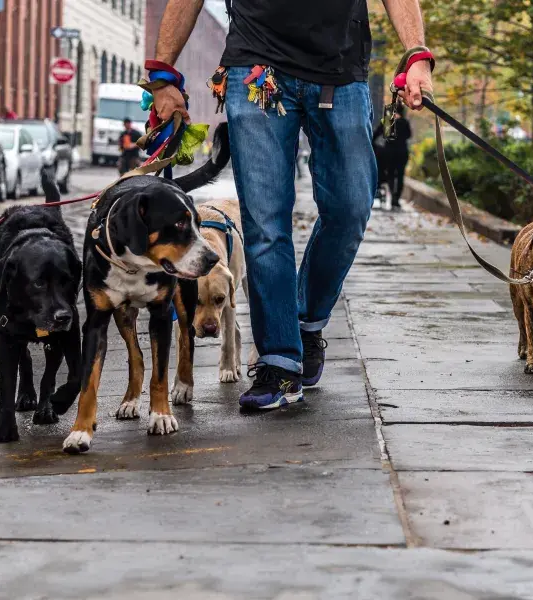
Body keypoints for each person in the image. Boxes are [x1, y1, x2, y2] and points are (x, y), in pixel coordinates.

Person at [152, 0, 433, 410]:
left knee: (351, 207)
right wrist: (163, 75)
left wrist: (417, 55)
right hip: (257, 69)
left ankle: (306, 319)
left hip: (340, 70)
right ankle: (279, 364)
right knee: (265, 225)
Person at [382, 104, 411, 209]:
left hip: (389, 152)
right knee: (400, 175)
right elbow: (408, 135)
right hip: (402, 152)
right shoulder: (405, 122)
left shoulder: (388, 120)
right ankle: (396, 198)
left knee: (390, 174)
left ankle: (392, 194)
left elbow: (382, 133)